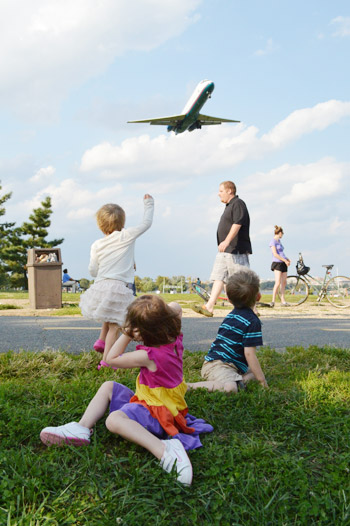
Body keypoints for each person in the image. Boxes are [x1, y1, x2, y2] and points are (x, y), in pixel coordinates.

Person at [40, 296, 213, 486]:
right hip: (158, 402)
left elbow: (110, 359)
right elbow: (176, 306)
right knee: (109, 386)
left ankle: (164, 449)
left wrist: (127, 334)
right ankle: (81, 428)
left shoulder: (148, 356)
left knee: (113, 420)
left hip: (158, 413)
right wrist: (157, 313)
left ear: (144, 332)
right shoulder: (175, 335)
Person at [80, 195, 154, 364]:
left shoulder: (97, 244)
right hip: (119, 286)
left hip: (100, 285)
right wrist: (149, 203)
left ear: (100, 224)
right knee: (115, 326)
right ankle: (106, 361)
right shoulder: (126, 236)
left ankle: (101, 341)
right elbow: (146, 223)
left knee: (108, 311)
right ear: (122, 222)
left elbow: (92, 270)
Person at [187, 269, 268, 393]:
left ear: (229, 299)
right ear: (258, 296)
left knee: (255, 373)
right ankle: (189, 387)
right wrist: (262, 381)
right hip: (218, 365)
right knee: (231, 388)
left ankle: (238, 381)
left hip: (231, 366)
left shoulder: (232, 315)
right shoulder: (252, 321)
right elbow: (249, 354)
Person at [193, 181, 252, 317]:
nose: (218, 194)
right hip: (224, 251)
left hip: (235, 250)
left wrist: (227, 240)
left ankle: (251, 309)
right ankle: (209, 306)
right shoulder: (229, 206)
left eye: (221, 191)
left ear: (230, 191)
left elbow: (237, 224)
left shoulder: (238, 203)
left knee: (240, 281)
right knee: (218, 277)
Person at [269, 225, 291, 307]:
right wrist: (284, 260)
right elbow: (275, 254)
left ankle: (283, 300)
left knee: (284, 282)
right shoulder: (273, 241)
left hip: (283, 263)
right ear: (280, 233)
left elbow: (281, 253)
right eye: (282, 234)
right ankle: (273, 301)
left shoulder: (279, 242)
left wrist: (287, 259)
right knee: (277, 282)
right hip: (277, 263)